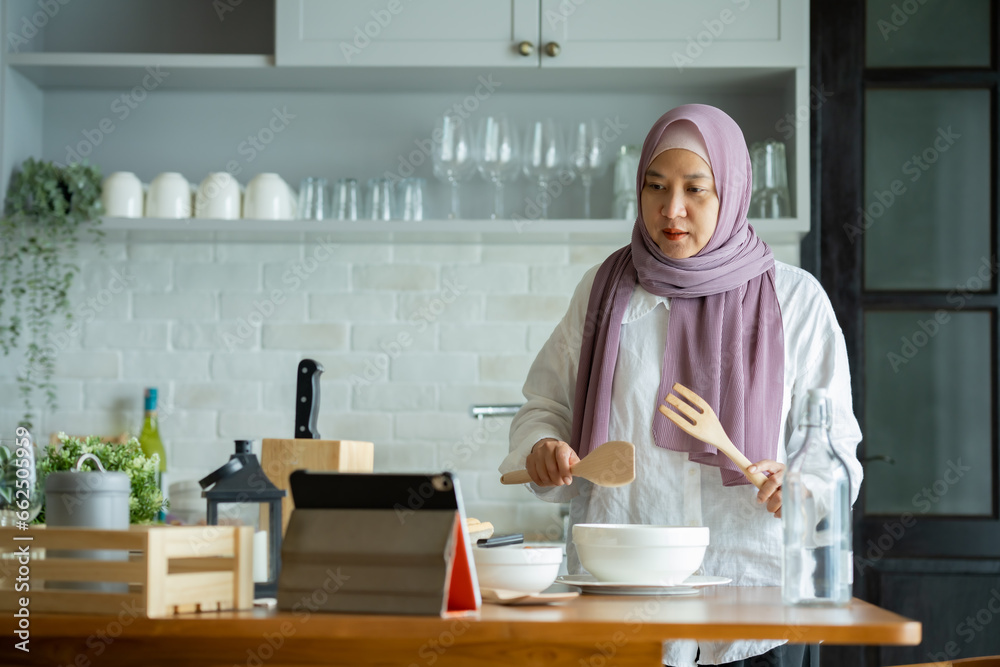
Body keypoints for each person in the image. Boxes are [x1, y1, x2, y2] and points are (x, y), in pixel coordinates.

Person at [499, 104, 863, 667]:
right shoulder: (603, 291)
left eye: (697, 189)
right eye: (655, 186)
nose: (672, 210)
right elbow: (545, 405)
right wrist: (542, 447)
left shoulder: (796, 300)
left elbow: (835, 449)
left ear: (733, 192)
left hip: (755, 609)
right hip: (621, 605)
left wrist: (801, 486)